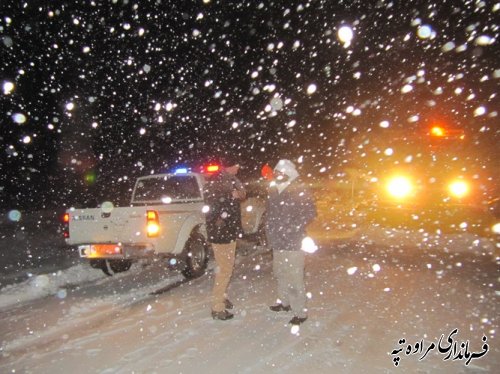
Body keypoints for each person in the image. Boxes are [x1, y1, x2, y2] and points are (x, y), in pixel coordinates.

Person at [265, 159, 317, 325]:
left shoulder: (299, 189)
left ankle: (300, 312)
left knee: (295, 277)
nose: (277, 175)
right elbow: (270, 213)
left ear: (288, 173)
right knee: (280, 272)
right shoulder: (273, 189)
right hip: (277, 240)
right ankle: (284, 302)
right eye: (276, 173)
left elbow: (310, 212)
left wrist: (292, 226)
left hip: (293, 241)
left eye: (280, 173)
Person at [204, 155, 246, 320]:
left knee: (224, 267)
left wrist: (238, 194)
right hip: (222, 233)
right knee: (225, 269)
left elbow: (242, 193)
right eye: (235, 166)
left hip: (225, 231)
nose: (238, 169)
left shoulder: (227, 180)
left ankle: (221, 297)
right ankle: (217, 307)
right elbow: (216, 208)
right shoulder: (222, 182)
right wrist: (232, 196)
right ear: (228, 167)